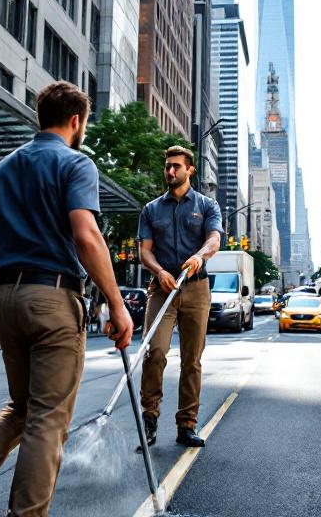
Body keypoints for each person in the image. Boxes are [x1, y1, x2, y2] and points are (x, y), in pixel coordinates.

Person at [0, 82, 132, 517]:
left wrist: (10, 275)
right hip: (53, 298)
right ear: (76, 121)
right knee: (48, 419)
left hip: (7, 299)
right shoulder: (76, 164)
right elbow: (86, 235)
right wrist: (117, 302)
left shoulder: (3, 169)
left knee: (23, 407)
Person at [137, 145, 223, 449]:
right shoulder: (151, 210)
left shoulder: (207, 205)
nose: (170, 171)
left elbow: (214, 238)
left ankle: (186, 425)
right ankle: (149, 419)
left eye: (176, 166)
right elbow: (144, 250)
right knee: (155, 351)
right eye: (167, 166)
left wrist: (199, 256)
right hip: (162, 288)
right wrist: (159, 271)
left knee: (192, 360)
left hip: (196, 287)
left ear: (190, 170)